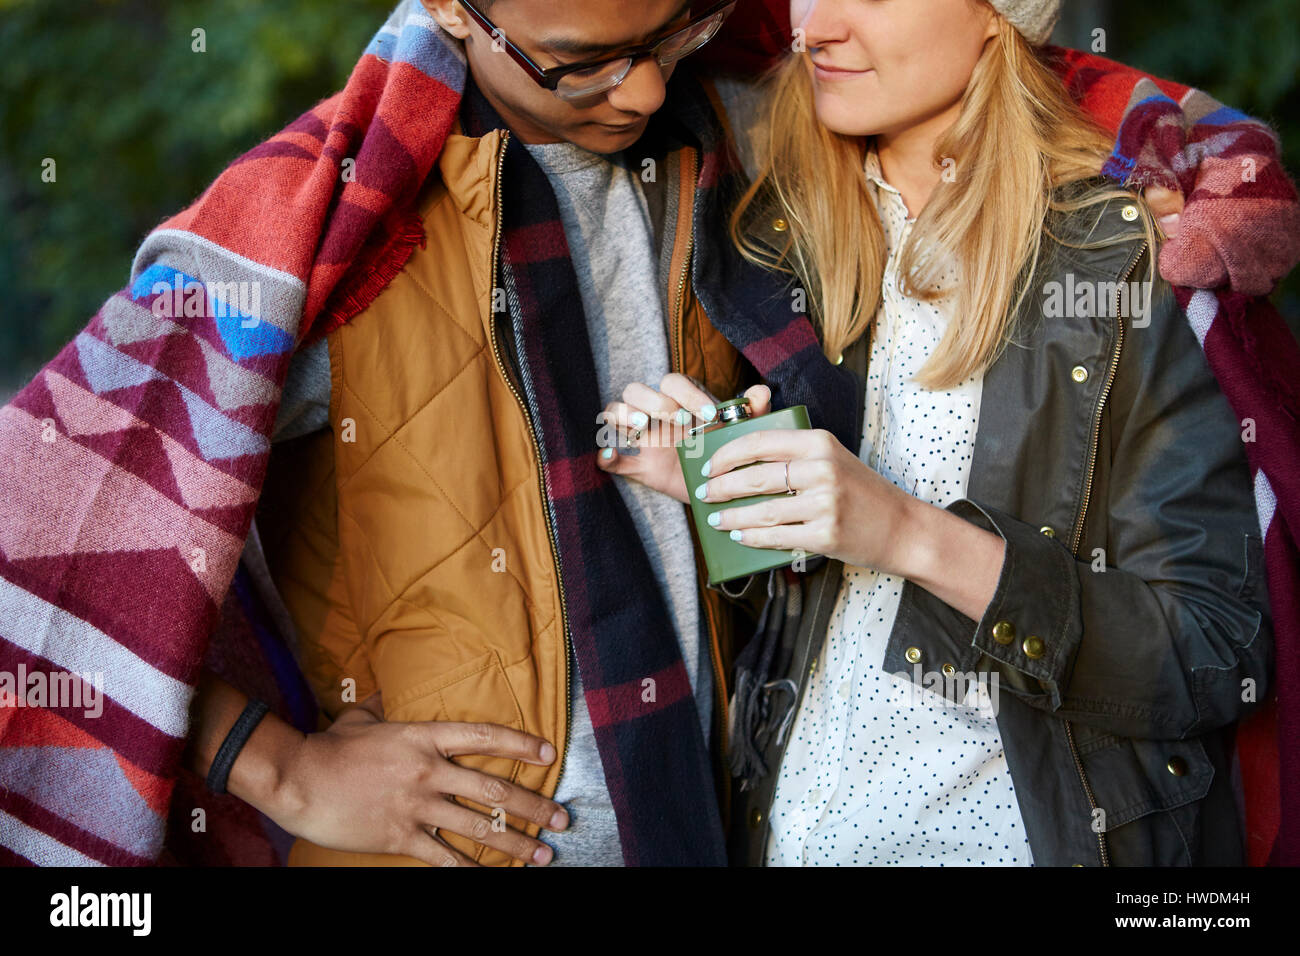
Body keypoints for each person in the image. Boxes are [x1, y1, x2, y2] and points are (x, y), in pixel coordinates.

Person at [1, 0, 1287, 869]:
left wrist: (732, 483)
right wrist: (271, 766)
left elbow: (1032, 81)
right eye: (586, 57)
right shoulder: (317, 229)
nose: (646, 83)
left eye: (672, 26)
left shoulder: (748, 159)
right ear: (457, 13)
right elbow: (31, 537)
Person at [605, 0, 1284, 865]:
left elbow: (1217, 654)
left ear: (999, 17)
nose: (817, 27)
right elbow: (818, 618)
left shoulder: (1124, 259)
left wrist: (904, 531)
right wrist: (728, 485)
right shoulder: (785, 231)